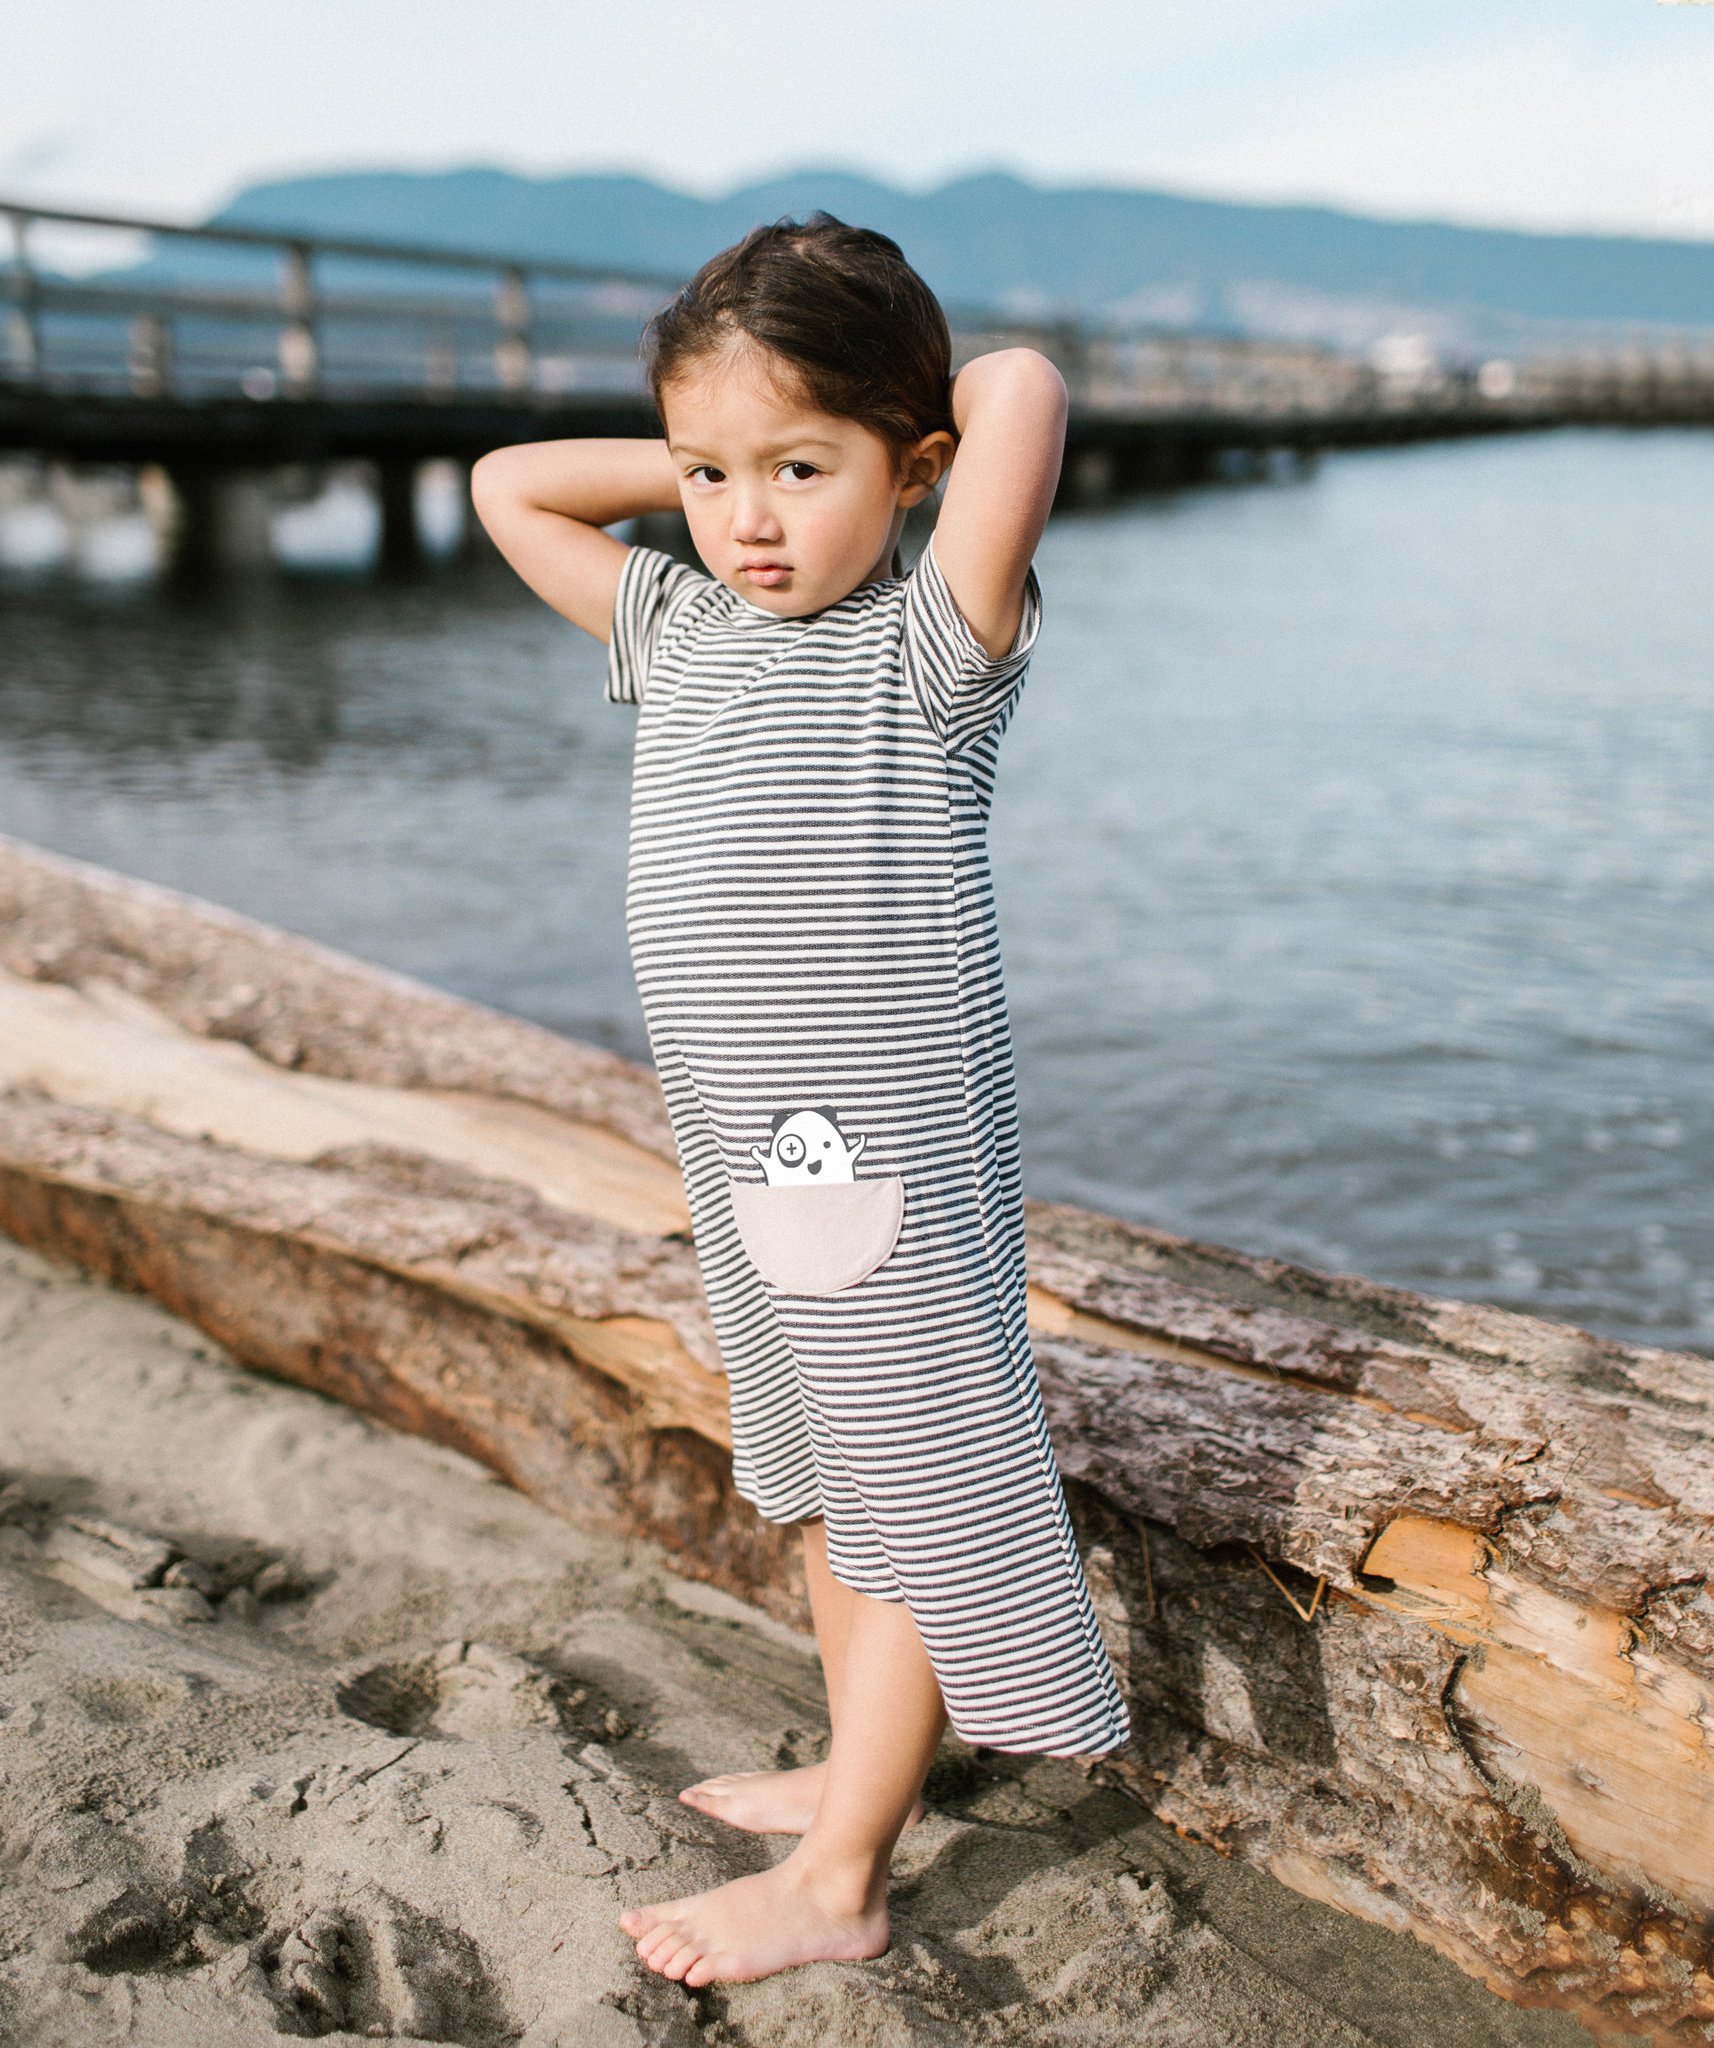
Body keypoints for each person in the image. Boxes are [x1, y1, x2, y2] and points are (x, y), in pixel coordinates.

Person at [471, 213, 1129, 1990]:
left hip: (888, 1157)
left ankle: (846, 1875)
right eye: (709, 474)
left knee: (916, 1478)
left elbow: (1025, 390)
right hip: (741, 1146)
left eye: (801, 470)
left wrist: (906, 415)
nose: (747, 518)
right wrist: (720, 439)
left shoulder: (931, 651)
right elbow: (507, 484)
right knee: (829, 1473)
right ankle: (854, 1761)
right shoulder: (679, 624)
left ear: (916, 471)